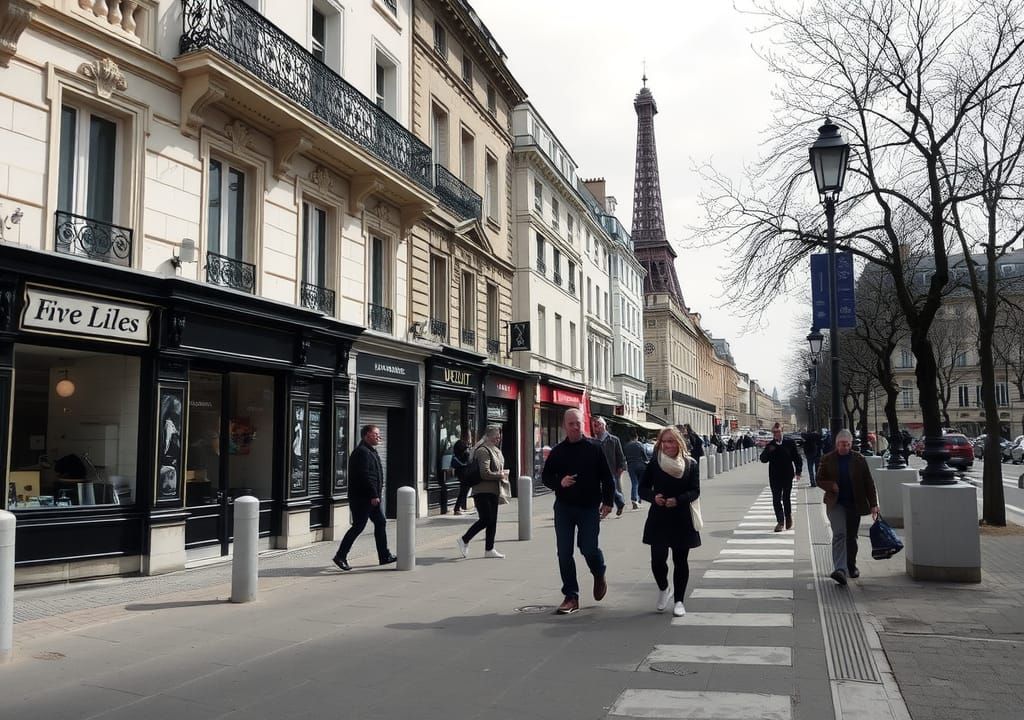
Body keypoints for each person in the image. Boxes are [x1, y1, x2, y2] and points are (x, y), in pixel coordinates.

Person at [543, 408, 615, 615]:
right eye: (571, 424)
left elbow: (607, 478)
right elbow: (547, 477)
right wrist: (560, 482)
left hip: (589, 507)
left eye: (578, 423)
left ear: (583, 424)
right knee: (564, 552)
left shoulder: (595, 447)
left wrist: (608, 502)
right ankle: (571, 596)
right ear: (565, 426)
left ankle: (599, 572)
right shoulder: (558, 451)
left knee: (588, 548)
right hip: (564, 508)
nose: (575, 427)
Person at [639, 426, 701, 618]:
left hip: (681, 517)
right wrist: (653, 497)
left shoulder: (690, 464)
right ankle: (664, 588)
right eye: (664, 441)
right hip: (659, 516)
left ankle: (679, 601)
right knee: (657, 560)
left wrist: (679, 500)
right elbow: (642, 488)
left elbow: (695, 490)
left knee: (680, 560)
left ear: (679, 443)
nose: (667, 445)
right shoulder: (655, 463)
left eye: (671, 441)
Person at [816, 429, 879, 585]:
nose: (844, 447)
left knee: (851, 537)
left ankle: (851, 565)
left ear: (851, 444)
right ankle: (840, 570)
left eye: (847, 444)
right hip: (835, 503)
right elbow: (819, 479)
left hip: (854, 503)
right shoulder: (827, 459)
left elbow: (868, 483)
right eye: (842, 444)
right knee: (839, 534)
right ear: (836, 444)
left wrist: (873, 504)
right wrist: (831, 485)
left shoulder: (859, 459)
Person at [332, 425, 397, 571]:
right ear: (367, 435)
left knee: (380, 522)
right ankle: (340, 556)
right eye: (376, 434)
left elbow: (374, 475)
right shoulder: (362, 452)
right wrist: (373, 494)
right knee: (358, 526)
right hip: (363, 498)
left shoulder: (369, 451)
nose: (379, 437)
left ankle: (384, 555)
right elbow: (365, 476)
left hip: (369, 497)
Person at [455, 426, 507, 559]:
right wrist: (500, 475)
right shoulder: (483, 450)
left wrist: (500, 474)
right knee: (486, 519)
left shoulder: (496, 450)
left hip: (494, 491)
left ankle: (489, 549)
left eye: (499, 435)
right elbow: (485, 473)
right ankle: (464, 539)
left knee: (493, 521)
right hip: (482, 491)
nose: (498, 438)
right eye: (496, 435)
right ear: (488, 436)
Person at [759, 422, 803, 532]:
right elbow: (763, 459)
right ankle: (780, 521)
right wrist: (768, 450)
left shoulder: (789, 443)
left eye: (778, 431)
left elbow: (797, 458)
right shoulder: (771, 445)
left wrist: (798, 471)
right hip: (774, 476)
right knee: (776, 499)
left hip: (787, 475)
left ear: (782, 431)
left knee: (786, 498)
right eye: (774, 432)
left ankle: (788, 517)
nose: (776, 434)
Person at [591, 416, 627, 517]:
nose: (594, 428)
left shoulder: (614, 440)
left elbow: (620, 455)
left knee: (611, 489)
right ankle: (616, 503)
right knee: (601, 489)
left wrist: (621, 467)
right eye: (593, 426)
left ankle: (616, 503)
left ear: (603, 426)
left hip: (611, 469)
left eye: (596, 425)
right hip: (597, 471)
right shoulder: (593, 441)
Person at [623, 429, 651, 510]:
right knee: (640, 482)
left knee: (634, 483)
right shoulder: (639, 444)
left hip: (631, 466)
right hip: (641, 465)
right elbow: (644, 455)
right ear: (636, 437)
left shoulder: (626, 446)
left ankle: (634, 499)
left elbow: (625, 457)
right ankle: (639, 498)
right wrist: (647, 461)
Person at [450, 429, 475, 515]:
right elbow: (466, 457)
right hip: (462, 471)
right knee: (464, 489)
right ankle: (457, 509)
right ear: (465, 436)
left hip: (463, 470)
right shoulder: (460, 444)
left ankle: (459, 507)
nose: (471, 437)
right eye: (469, 435)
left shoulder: (463, 445)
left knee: (465, 489)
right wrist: (469, 448)